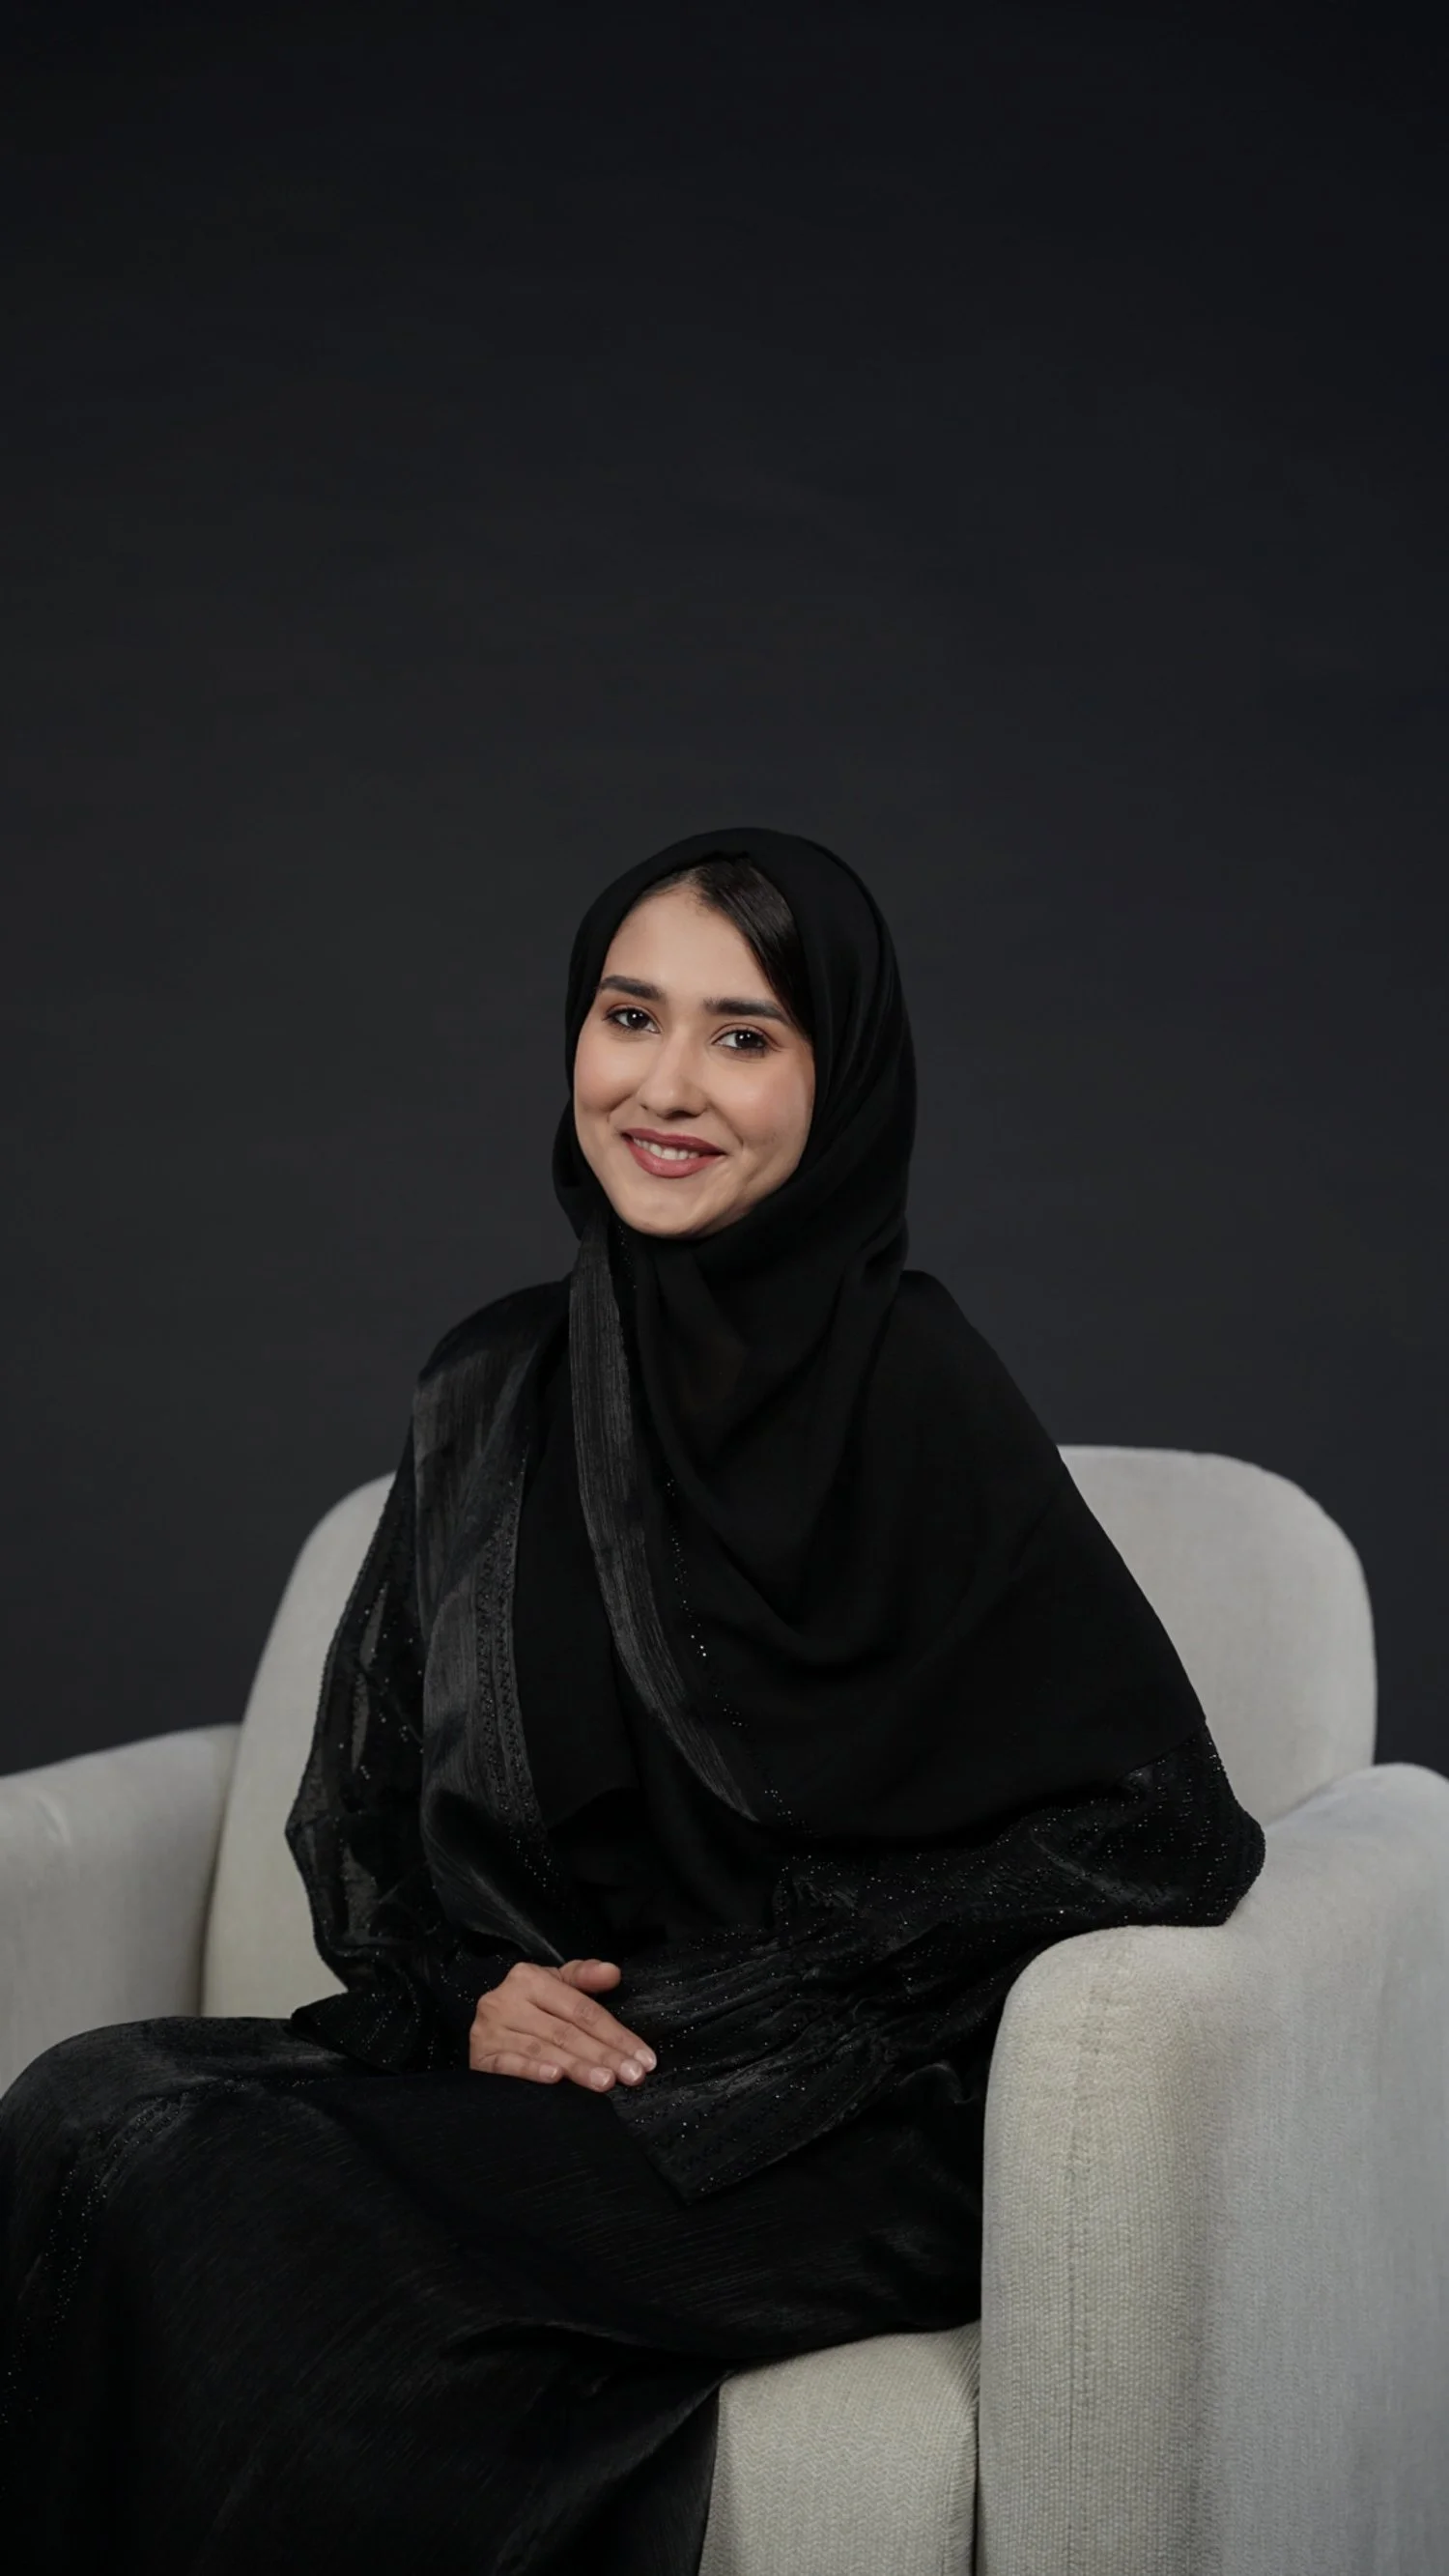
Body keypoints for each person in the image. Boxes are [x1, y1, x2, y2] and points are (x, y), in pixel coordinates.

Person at [0, 828, 1266, 2573]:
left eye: (745, 1034)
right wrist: (467, 2002)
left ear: (841, 1079)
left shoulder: (919, 1387)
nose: (667, 1084)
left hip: (845, 2120)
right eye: (628, 1014)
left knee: (223, 2193)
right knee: (82, 2101)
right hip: (550, 2087)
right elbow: (367, 1810)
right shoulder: (495, 1385)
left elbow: (1161, 1826)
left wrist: (750, 2005)